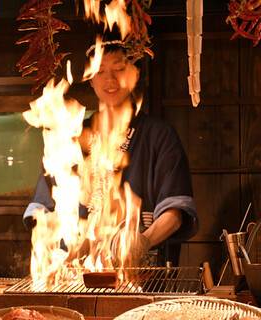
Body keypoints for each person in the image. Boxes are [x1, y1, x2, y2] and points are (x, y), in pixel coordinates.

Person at [23, 32, 199, 267]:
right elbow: (41, 210)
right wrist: (59, 233)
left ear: (135, 74)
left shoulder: (159, 135)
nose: (110, 80)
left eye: (119, 68)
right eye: (100, 71)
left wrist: (143, 241)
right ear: (90, 79)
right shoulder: (70, 135)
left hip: (143, 274)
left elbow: (175, 212)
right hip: (77, 274)